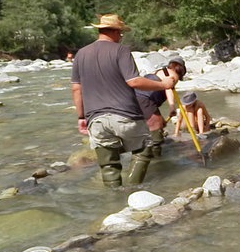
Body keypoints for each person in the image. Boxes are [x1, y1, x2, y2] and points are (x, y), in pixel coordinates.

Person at [71, 14, 176, 187]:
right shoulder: (121, 51)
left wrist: (81, 117)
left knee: (108, 166)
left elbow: (76, 88)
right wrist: (163, 84)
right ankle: (133, 189)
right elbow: (134, 81)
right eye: (120, 33)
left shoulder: (80, 54)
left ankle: (115, 201)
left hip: (95, 119)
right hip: (125, 114)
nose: (121, 37)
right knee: (144, 149)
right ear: (113, 31)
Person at [135, 56, 187, 157]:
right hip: (145, 100)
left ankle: (143, 152)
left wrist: (161, 119)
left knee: (153, 125)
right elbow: (168, 88)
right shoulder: (172, 75)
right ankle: (157, 158)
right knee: (156, 128)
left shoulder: (158, 72)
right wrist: (172, 106)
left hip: (134, 98)